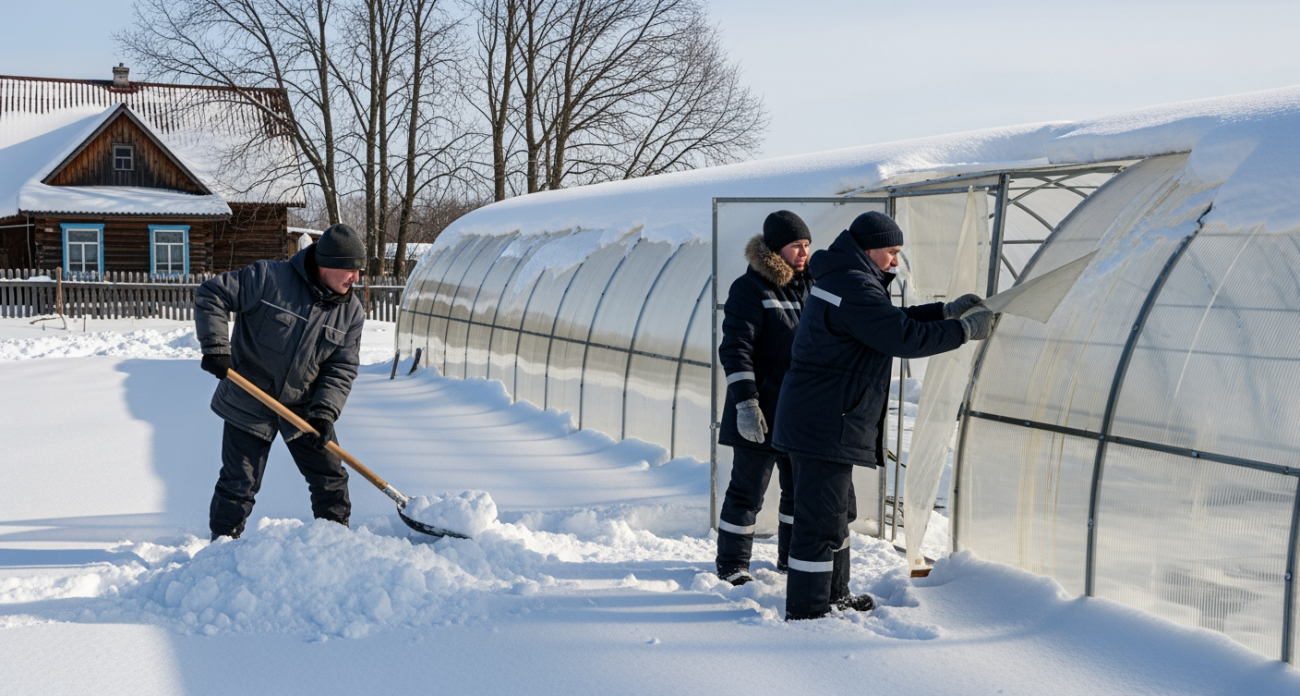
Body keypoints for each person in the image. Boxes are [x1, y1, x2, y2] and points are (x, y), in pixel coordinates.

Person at [772, 211, 993, 620]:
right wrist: (964, 331)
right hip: (824, 422)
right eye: (891, 252)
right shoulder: (852, 284)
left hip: (825, 419)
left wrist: (944, 311)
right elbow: (900, 336)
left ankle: (833, 596)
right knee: (820, 523)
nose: (895, 261)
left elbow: (888, 321)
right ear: (870, 248)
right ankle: (807, 612)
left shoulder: (846, 277)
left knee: (836, 517)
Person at [194, 223, 368, 541]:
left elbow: (341, 368)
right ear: (326, 264)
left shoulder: (351, 313)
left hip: (304, 405)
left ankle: (336, 545)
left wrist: (325, 413)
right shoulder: (270, 279)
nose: (356, 278)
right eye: (350, 270)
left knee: (331, 478)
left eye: (358, 271)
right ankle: (220, 550)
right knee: (239, 483)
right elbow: (213, 293)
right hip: (249, 397)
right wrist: (216, 347)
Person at [715, 210, 812, 585]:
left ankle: (789, 559)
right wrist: (745, 403)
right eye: (795, 246)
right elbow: (735, 348)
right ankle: (732, 566)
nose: (803, 253)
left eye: (806, 245)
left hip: (798, 412)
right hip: (760, 408)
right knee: (747, 491)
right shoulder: (750, 288)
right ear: (775, 249)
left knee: (797, 491)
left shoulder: (812, 286)